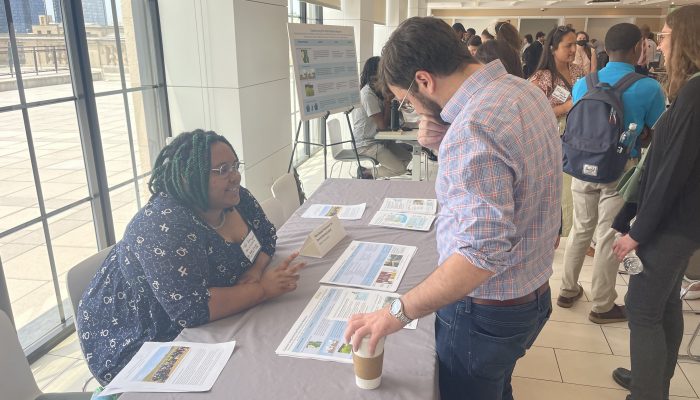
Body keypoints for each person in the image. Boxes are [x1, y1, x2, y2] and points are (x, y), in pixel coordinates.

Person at [343, 17, 561, 400]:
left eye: (408, 101)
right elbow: (511, 178)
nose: (414, 110)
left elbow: (479, 255)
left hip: (485, 311)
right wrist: (446, 140)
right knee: (493, 385)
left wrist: (398, 311)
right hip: (532, 292)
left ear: (424, 80)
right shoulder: (522, 91)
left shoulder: (473, 127)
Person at [76, 130, 305, 384]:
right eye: (222, 169)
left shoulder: (235, 198)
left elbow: (267, 235)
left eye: (235, 165)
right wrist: (262, 289)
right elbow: (191, 308)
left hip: (212, 317)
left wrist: (255, 271)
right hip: (142, 338)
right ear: (189, 178)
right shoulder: (162, 225)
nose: (236, 175)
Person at [611, 5, 700, 399]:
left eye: (664, 35)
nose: (659, 43)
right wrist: (628, 214)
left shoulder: (696, 91)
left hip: (672, 223)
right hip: (681, 222)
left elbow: (671, 171)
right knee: (664, 303)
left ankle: (647, 391)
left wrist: (638, 231)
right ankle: (653, 377)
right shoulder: (691, 88)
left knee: (643, 307)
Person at [556, 23, 666, 325]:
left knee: (580, 228)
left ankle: (567, 290)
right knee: (606, 235)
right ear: (638, 48)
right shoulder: (649, 88)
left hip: (581, 167)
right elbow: (659, 132)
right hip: (620, 170)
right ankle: (603, 304)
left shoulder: (584, 84)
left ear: (606, 49)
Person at [351, 56, 412, 178]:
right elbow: (383, 126)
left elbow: (391, 121)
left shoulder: (377, 92)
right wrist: (388, 102)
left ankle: (382, 171)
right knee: (399, 169)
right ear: (376, 75)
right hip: (366, 144)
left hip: (380, 139)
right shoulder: (367, 94)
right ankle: (366, 173)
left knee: (407, 157)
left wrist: (395, 104)